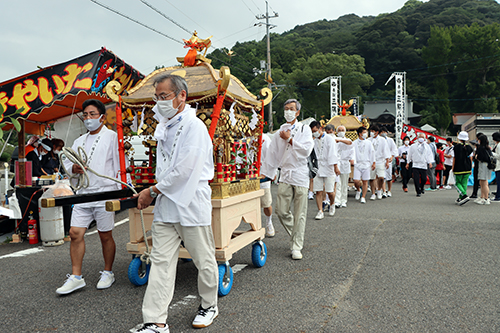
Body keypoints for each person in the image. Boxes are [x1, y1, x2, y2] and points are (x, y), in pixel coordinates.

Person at [132, 75, 219, 332]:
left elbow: (185, 169)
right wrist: (156, 190)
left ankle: (209, 305)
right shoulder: (165, 126)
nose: (160, 102)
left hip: (191, 202)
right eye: (156, 97)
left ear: (182, 96)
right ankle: (156, 321)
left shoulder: (194, 127)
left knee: (203, 259)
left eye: (164, 96)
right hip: (167, 204)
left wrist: (153, 190)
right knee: (160, 262)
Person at [56, 99, 122, 295]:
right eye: (85, 115)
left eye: (92, 114)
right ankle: (76, 277)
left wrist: (119, 193)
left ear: (102, 117)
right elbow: (67, 164)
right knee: (75, 233)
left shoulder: (112, 137)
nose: (88, 118)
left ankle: (108, 272)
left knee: (105, 235)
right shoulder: (79, 141)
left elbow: (120, 165)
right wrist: (73, 169)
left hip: (105, 192)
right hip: (83, 193)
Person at [266, 99, 314, 260]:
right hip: (285, 173)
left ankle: (296, 246)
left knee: (300, 212)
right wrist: (269, 172)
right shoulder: (279, 132)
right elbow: (272, 154)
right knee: (281, 210)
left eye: (292, 109)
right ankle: (297, 235)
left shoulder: (304, 129)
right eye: (286, 109)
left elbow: (307, 149)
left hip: (300, 174)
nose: (288, 111)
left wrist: (290, 139)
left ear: (298, 112)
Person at [310, 121, 339, 219]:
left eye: (315, 130)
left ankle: (332, 203)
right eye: (312, 131)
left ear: (320, 128)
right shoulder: (313, 141)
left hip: (329, 166)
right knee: (318, 191)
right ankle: (320, 211)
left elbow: (333, 154)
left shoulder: (329, 139)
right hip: (318, 167)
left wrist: (335, 167)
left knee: (329, 191)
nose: (314, 133)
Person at [352, 127, 375, 204]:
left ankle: (363, 197)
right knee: (356, 181)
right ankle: (358, 189)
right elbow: (352, 152)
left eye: (366, 132)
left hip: (366, 163)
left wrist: (373, 162)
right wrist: (352, 160)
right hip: (357, 164)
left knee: (365, 181)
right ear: (360, 134)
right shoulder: (354, 142)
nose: (366, 134)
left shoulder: (369, 143)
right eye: (364, 132)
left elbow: (372, 153)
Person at [367, 125, 390, 200]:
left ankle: (379, 189)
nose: (372, 133)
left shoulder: (382, 140)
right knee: (372, 178)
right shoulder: (368, 140)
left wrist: (387, 161)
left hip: (380, 161)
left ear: (377, 132)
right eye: (371, 131)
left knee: (381, 177)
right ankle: (373, 193)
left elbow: (386, 150)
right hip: (370, 161)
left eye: (373, 131)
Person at [407, 132, 433, 197]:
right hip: (415, 164)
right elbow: (409, 154)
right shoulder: (413, 146)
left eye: (423, 137)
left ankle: (421, 187)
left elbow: (429, 155)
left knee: (424, 179)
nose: (421, 138)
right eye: (420, 137)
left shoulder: (427, 146)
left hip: (423, 164)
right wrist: (408, 162)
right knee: (416, 179)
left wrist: (430, 162)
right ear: (418, 138)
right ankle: (418, 191)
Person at [260, 133, 275, 237]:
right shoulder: (245, 139)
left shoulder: (265, 138)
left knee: (266, 203)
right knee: (251, 203)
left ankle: (269, 222)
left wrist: (272, 172)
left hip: (263, 174)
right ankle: (256, 226)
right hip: (249, 175)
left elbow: (271, 156)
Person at [334, 125, 354, 208]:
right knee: (337, 183)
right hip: (337, 163)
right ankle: (337, 200)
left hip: (345, 163)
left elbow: (350, 143)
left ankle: (343, 200)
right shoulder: (333, 139)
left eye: (342, 130)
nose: (341, 131)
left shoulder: (347, 140)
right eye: (339, 130)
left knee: (344, 183)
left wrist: (339, 140)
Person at [452, 131, 474, 205]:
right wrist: (470, 168)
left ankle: (464, 195)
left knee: (457, 183)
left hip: (458, 167)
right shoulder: (470, 147)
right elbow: (471, 158)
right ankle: (461, 198)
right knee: (464, 183)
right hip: (467, 167)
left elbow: (454, 158)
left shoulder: (455, 147)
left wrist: (453, 168)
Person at [474, 134, 491, 205]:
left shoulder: (481, 148)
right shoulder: (487, 148)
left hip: (483, 165)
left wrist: (476, 156)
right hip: (487, 166)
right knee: (483, 182)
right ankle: (482, 196)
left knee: (483, 183)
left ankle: (486, 198)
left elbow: (480, 157)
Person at [491, 132, 500, 202]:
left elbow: (499, 156)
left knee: (499, 182)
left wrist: (492, 153)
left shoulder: (499, 145)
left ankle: (498, 196)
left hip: (499, 166)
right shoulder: (497, 145)